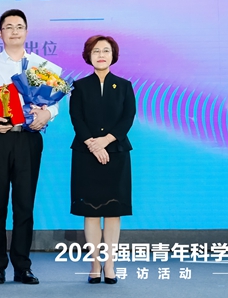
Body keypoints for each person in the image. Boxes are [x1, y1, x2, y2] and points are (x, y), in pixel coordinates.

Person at [0, 9, 61, 285]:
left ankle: (22, 266)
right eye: (8, 27)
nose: (14, 31)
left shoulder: (40, 65)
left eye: (19, 26)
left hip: (28, 138)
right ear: (0, 33)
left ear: (26, 31)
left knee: (24, 204)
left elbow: (54, 100)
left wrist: (47, 114)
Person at [69, 35, 136, 285]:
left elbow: (128, 117)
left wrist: (105, 141)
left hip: (116, 152)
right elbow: (76, 118)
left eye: (106, 50)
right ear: (89, 55)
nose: (101, 55)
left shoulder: (125, 85)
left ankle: (110, 264)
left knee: (113, 212)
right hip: (85, 153)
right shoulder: (79, 86)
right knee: (90, 211)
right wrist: (92, 144)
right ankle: (95, 264)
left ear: (113, 55)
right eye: (96, 51)